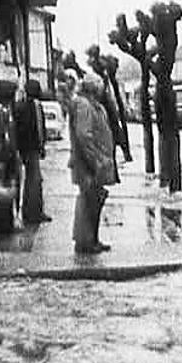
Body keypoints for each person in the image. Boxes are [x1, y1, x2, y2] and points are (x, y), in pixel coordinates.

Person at [68, 75, 118, 254]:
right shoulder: (84, 106)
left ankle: (92, 238)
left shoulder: (93, 105)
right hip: (88, 164)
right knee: (89, 201)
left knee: (95, 201)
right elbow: (84, 135)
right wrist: (95, 160)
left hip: (96, 162)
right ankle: (86, 241)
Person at [14, 79, 50, 224]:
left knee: (35, 180)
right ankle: (31, 212)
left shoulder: (37, 106)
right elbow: (21, 129)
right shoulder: (23, 107)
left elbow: (41, 127)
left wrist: (42, 145)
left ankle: (36, 210)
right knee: (33, 180)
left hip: (35, 148)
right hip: (28, 148)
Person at [0, 79, 21, 235]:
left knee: (4, 191)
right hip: (5, 158)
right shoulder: (3, 113)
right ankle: (4, 226)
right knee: (4, 191)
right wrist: (7, 157)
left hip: (2, 157)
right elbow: (4, 138)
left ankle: (4, 223)